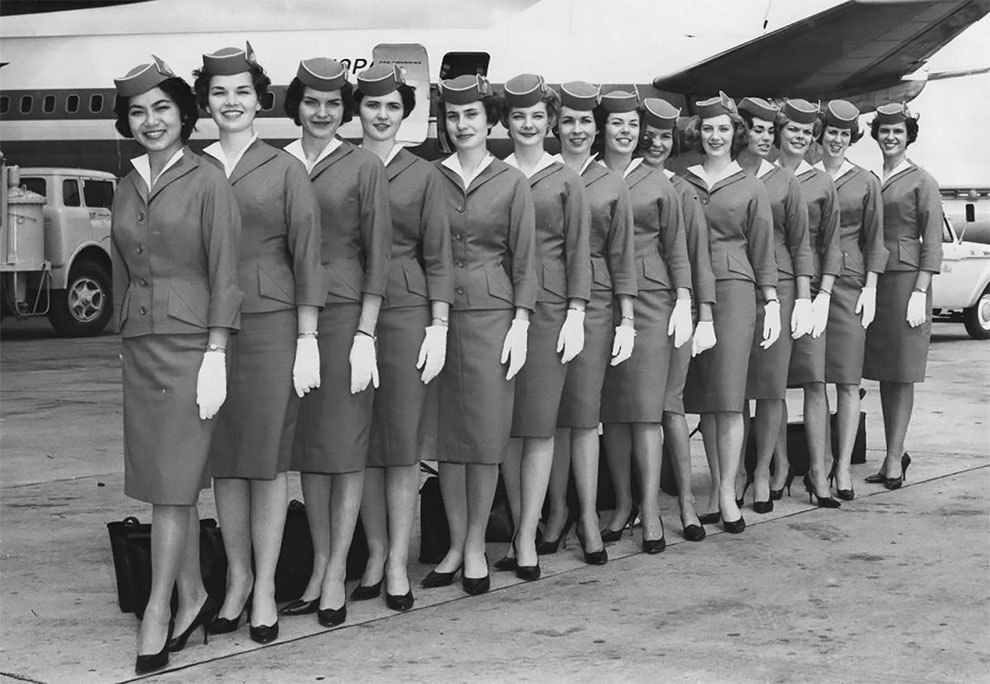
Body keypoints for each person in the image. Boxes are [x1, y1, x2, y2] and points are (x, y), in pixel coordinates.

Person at [111, 56, 242, 674]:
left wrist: (217, 350)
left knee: (173, 486)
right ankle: (193, 593)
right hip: (141, 346)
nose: (151, 120)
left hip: (193, 347)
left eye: (162, 107)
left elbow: (225, 271)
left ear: (184, 114)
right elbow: (121, 263)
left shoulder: (208, 178)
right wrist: (121, 328)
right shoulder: (128, 179)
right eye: (139, 111)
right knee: (168, 483)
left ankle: (158, 609)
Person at [191, 44, 323, 644]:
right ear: (205, 103)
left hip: (269, 324)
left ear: (260, 99)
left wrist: (308, 338)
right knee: (226, 458)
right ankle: (238, 578)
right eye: (220, 92)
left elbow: (308, 258)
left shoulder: (285, 168)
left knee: (266, 460)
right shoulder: (192, 168)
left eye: (242, 91)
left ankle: (267, 584)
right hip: (204, 328)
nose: (231, 102)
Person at [282, 58, 392, 628]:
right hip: (287, 320)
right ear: (295, 106)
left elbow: (378, 254)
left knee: (345, 446)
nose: (321, 113)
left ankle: (333, 573)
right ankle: (321, 562)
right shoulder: (277, 163)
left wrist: (366, 334)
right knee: (308, 449)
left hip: (347, 314)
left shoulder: (363, 165)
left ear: (343, 110)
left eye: (331, 104)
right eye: (311, 102)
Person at [423, 73, 536, 595]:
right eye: (452, 116)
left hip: (494, 318)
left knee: (486, 437)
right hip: (439, 316)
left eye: (471, 114)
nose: (462, 124)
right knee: (449, 437)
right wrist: (435, 321)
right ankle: (452, 543)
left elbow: (525, 257)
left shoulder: (511, 181)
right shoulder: (432, 178)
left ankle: (474, 545)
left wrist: (521, 321)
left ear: (490, 120)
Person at [351, 64, 453, 611]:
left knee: (402, 443)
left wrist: (439, 323)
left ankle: (397, 560)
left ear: (404, 112)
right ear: (358, 111)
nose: (383, 115)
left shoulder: (423, 175)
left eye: (392, 106)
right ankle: (372, 551)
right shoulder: (342, 166)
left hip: (407, 310)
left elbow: (438, 255)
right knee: (360, 439)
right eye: (372, 105)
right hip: (349, 313)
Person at [496, 74, 591, 579]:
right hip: (500, 307)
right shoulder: (495, 174)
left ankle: (529, 534)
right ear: (506, 121)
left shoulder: (565, 178)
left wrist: (576, 310)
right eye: (518, 115)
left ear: (549, 121)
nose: (528, 124)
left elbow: (578, 252)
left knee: (538, 423)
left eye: (537, 115)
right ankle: (518, 525)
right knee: (509, 426)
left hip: (551, 309)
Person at [544, 81, 636, 564]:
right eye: (568, 122)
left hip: (595, 305)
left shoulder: (609, 181)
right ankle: (554, 511)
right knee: (549, 415)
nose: (577, 130)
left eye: (585, 122)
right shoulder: (541, 174)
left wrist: (627, 319)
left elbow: (622, 257)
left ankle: (586, 516)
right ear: (555, 127)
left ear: (596, 129)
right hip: (544, 300)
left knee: (583, 415)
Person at [597, 90, 693, 554]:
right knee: (612, 411)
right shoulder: (587, 176)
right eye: (617, 124)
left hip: (652, 299)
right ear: (602, 127)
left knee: (646, 409)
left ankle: (651, 508)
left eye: (632, 126)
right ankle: (621, 504)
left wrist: (684, 299)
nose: (625, 132)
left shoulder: (657, 183)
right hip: (601, 297)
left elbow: (675, 246)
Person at [682, 92, 778, 534]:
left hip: (735, 293)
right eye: (707, 128)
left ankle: (726, 491)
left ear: (734, 132)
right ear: (698, 133)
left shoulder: (751, 186)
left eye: (723, 128)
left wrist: (772, 301)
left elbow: (762, 252)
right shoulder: (683, 183)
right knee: (704, 398)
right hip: (686, 297)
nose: (715, 136)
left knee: (729, 397)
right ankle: (716, 486)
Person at [639, 97, 717, 540]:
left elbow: (697, 257)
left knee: (670, 404)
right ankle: (633, 504)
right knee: (626, 413)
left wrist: (702, 313)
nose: (655, 143)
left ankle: (685, 499)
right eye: (648, 135)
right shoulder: (619, 182)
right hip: (623, 307)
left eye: (664, 137)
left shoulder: (682, 190)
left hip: (672, 309)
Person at [735, 97, 816, 511]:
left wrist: (803, 298)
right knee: (734, 385)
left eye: (771, 131)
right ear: (742, 130)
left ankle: (762, 471)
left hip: (779, 290)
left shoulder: (786, 181)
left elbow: (801, 244)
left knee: (769, 387)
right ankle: (735, 470)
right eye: (758, 129)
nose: (765, 138)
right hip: (735, 285)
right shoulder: (727, 175)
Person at [863, 102, 941, 488]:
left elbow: (933, 240)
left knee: (903, 372)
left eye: (897, 131)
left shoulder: (921, 180)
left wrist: (920, 290)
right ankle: (892, 452)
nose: (890, 137)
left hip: (908, 282)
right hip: (876, 280)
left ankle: (895, 457)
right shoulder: (872, 177)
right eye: (884, 130)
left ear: (908, 135)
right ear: (876, 135)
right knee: (884, 373)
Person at [773, 98, 842, 508]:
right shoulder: (762, 177)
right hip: (777, 289)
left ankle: (819, 471)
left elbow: (832, 245)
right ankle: (779, 467)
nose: (798, 137)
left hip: (813, 292)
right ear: (779, 133)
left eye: (805, 131)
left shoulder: (822, 183)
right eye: (791, 130)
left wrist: (824, 296)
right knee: (773, 384)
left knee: (815, 381)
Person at [815, 100, 887, 498]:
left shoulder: (865, 181)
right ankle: (818, 463)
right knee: (812, 381)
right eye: (832, 133)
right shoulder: (804, 177)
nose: (837, 141)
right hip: (811, 287)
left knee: (846, 380)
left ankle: (841, 468)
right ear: (821, 135)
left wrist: (872, 286)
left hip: (851, 286)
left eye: (845, 135)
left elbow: (874, 238)